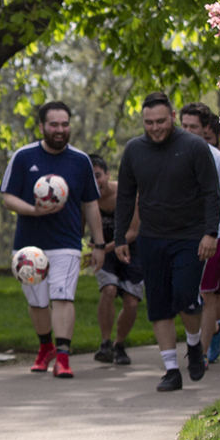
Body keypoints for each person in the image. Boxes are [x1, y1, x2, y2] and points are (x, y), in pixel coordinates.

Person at [114, 92, 220, 392]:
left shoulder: (194, 147)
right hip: (151, 237)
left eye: (161, 121)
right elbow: (125, 196)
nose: (155, 127)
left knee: (187, 296)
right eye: (149, 123)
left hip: (190, 236)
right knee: (158, 305)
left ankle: (193, 346)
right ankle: (171, 370)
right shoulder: (134, 149)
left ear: (173, 117)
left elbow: (212, 193)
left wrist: (210, 232)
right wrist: (120, 236)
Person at [1, 101, 105, 379]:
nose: (60, 130)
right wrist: (34, 210)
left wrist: (99, 244)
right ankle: (45, 347)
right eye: (54, 125)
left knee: (62, 295)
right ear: (42, 127)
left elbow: (91, 205)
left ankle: (63, 357)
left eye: (65, 124)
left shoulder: (80, 160)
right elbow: (8, 198)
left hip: (67, 243)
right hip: (28, 245)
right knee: (37, 302)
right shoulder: (23, 157)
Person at [179, 104, 220, 363]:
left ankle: (200, 354)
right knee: (182, 293)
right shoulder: (174, 154)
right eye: (185, 126)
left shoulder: (219, 159)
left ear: (206, 129)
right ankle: (215, 329)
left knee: (206, 293)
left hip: (214, 234)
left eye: (194, 127)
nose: (189, 131)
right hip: (181, 234)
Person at [90, 153, 141, 366]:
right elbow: (79, 228)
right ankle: (105, 343)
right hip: (103, 251)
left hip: (131, 249)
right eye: (90, 177)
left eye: (98, 175)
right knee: (108, 290)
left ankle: (119, 345)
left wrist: (104, 248)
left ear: (107, 174)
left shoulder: (128, 194)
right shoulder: (87, 198)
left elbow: (132, 232)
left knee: (131, 301)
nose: (95, 182)